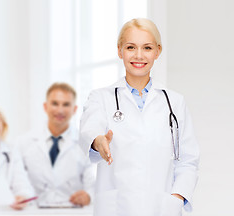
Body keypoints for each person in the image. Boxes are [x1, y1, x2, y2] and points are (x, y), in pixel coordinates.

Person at [79, 18, 199, 216]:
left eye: (147, 48)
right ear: (120, 51)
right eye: (130, 47)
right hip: (117, 208)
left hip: (162, 209)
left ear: (157, 51)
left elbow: (188, 160)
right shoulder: (101, 98)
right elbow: (90, 128)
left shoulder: (174, 103)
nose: (139, 55)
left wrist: (175, 199)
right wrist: (98, 141)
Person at [19, 83, 95, 207]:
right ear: (45, 106)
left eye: (66, 104)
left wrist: (88, 196)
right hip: (34, 212)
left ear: (74, 109)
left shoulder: (86, 144)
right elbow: (17, 182)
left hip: (70, 212)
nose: (60, 110)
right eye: (55, 103)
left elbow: (93, 185)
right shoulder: (24, 143)